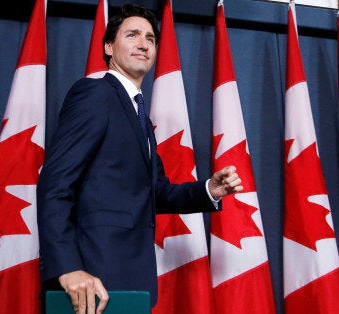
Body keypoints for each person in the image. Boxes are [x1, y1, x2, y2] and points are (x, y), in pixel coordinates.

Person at [36, 4, 243, 313]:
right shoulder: (94, 94)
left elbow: (155, 192)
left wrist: (209, 190)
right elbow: (55, 185)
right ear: (109, 46)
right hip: (90, 279)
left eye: (150, 38)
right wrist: (68, 268)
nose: (143, 44)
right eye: (132, 35)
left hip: (129, 280)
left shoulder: (139, 115)